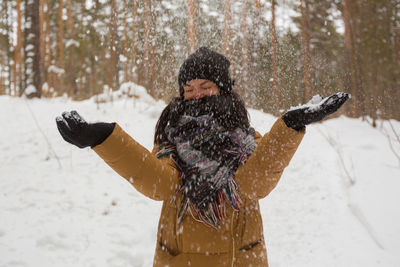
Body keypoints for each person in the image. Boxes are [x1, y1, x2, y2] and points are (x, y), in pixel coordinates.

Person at [56, 47, 349, 267]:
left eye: (205, 87)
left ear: (222, 89)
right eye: (189, 88)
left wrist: (290, 126)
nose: (196, 95)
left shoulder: (245, 136)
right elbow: (160, 185)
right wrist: (103, 139)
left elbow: (254, 185)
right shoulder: (171, 137)